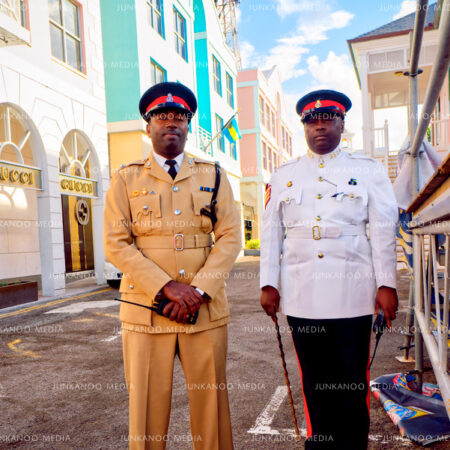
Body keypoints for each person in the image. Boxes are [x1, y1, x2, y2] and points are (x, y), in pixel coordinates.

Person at [103, 81, 241, 450]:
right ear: (147, 127)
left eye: (179, 116)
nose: (171, 123)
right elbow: (116, 243)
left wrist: (198, 290)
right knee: (146, 410)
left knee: (211, 405)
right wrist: (167, 286)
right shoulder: (126, 177)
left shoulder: (213, 174)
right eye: (161, 116)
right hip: (147, 312)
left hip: (205, 308)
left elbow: (230, 237)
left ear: (188, 125)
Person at [259, 89, 398, 449]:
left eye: (328, 119)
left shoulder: (367, 170)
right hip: (302, 297)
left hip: (351, 296)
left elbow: (383, 229)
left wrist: (387, 284)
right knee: (315, 385)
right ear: (304, 126)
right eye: (311, 120)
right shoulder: (283, 175)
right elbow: (271, 232)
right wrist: (267, 283)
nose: (319, 126)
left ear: (342, 123)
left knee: (352, 383)